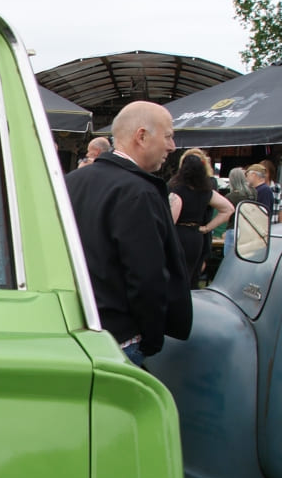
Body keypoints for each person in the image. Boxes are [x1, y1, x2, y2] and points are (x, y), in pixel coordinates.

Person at [65, 100, 191, 367]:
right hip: (120, 341)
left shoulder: (71, 182)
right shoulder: (138, 192)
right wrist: (152, 338)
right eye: (168, 136)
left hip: (73, 332)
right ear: (142, 136)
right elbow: (146, 276)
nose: (172, 147)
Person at [168, 152, 233, 287]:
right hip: (196, 236)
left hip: (178, 234)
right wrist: (207, 228)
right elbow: (228, 209)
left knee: (175, 275)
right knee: (191, 275)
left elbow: (170, 220)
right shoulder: (207, 192)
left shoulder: (177, 190)